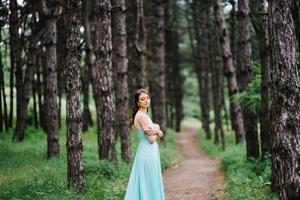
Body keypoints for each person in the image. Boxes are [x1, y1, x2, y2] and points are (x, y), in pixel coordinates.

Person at [124, 88, 165, 200]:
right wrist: (157, 129)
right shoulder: (142, 116)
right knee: (149, 183)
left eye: (147, 98)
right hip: (148, 152)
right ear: (138, 102)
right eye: (142, 99)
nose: (146, 101)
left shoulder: (143, 115)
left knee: (147, 182)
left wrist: (157, 130)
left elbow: (159, 134)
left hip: (146, 151)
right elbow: (152, 139)